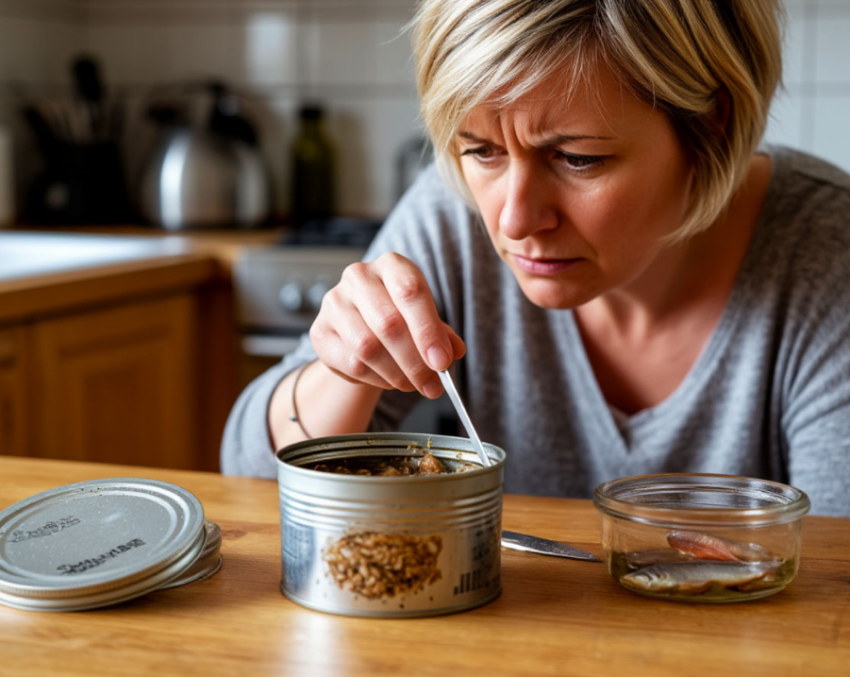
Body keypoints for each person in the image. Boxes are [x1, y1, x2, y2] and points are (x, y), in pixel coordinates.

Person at [222, 0, 850, 516]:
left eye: (578, 159)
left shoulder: (828, 255)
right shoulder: (453, 218)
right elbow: (246, 477)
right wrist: (343, 373)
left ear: (713, 120)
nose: (514, 220)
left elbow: (834, 581)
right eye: (481, 151)